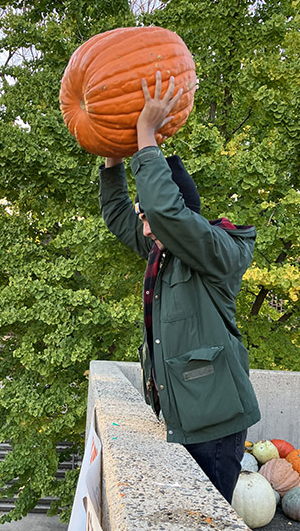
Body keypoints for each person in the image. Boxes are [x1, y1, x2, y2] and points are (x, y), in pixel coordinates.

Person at [99, 71, 261, 503]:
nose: (144, 224)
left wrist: (147, 136)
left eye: (148, 215)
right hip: (186, 416)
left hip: (216, 428)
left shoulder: (216, 251)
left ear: (179, 219)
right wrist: (113, 160)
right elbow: (118, 218)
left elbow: (165, 214)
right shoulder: (163, 252)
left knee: (206, 525)